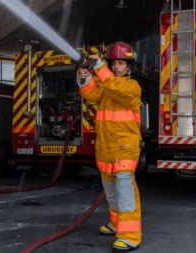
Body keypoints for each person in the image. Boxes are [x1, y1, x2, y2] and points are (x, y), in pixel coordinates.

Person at [77, 42, 142, 253]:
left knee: (124, 193)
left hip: (125, 147)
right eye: (114, 63)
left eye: (121, 63)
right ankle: (116, 224)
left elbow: (116, 88)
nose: (116, 67)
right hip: (105, 149)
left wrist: (100, 69)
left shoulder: (131, 87)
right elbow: (92, 94)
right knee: (112, 193)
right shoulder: (106, 84)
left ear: (128, 66)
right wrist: (84, 78)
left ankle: (130, 236)